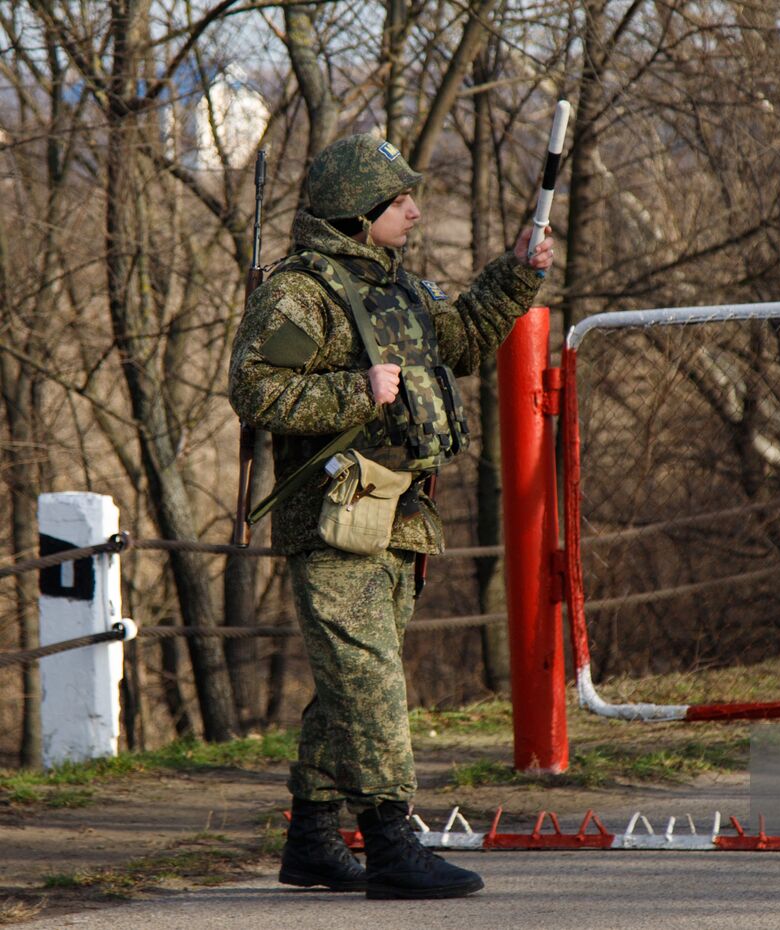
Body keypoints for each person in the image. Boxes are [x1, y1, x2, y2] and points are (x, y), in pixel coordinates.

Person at [228, 133, 553, 900]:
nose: (414, 208)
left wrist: (517, 272)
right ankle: (391, 841)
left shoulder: (400, 289)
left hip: (400, 518)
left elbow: (468, 339)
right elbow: (255, 389)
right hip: (334, 518)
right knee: (370, 683)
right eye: (398, 199)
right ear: (355, 213)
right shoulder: (300, 294)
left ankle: (311, 838)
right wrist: (354, 393)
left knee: (350, 684)